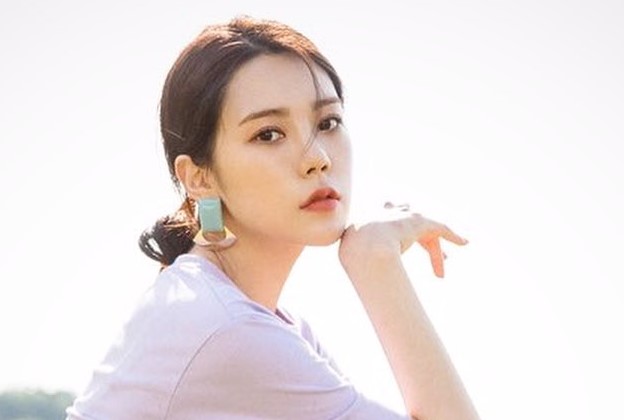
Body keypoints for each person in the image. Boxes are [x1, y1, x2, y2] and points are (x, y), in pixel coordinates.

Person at [65, 15, 479, 420]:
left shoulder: (263, 323)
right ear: (199, 178)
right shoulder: (228, 328)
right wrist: (375, 263)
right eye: (268, 134)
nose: (317, 158)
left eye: (328, 122)